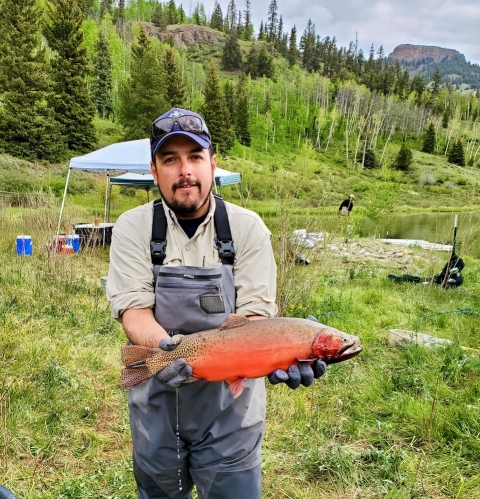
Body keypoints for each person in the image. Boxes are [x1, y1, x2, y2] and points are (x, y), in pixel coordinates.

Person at [106, 108, 327, 499]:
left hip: (231, 411)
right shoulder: (133, 227)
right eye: (170, 159)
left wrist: (289, 344)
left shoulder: (247, 228)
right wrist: (164, 352)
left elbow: (256, 319)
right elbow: (135, 311)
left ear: (213, 163)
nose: (184, 170)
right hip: (157, 404)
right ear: (154, 172)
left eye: (194, 157)